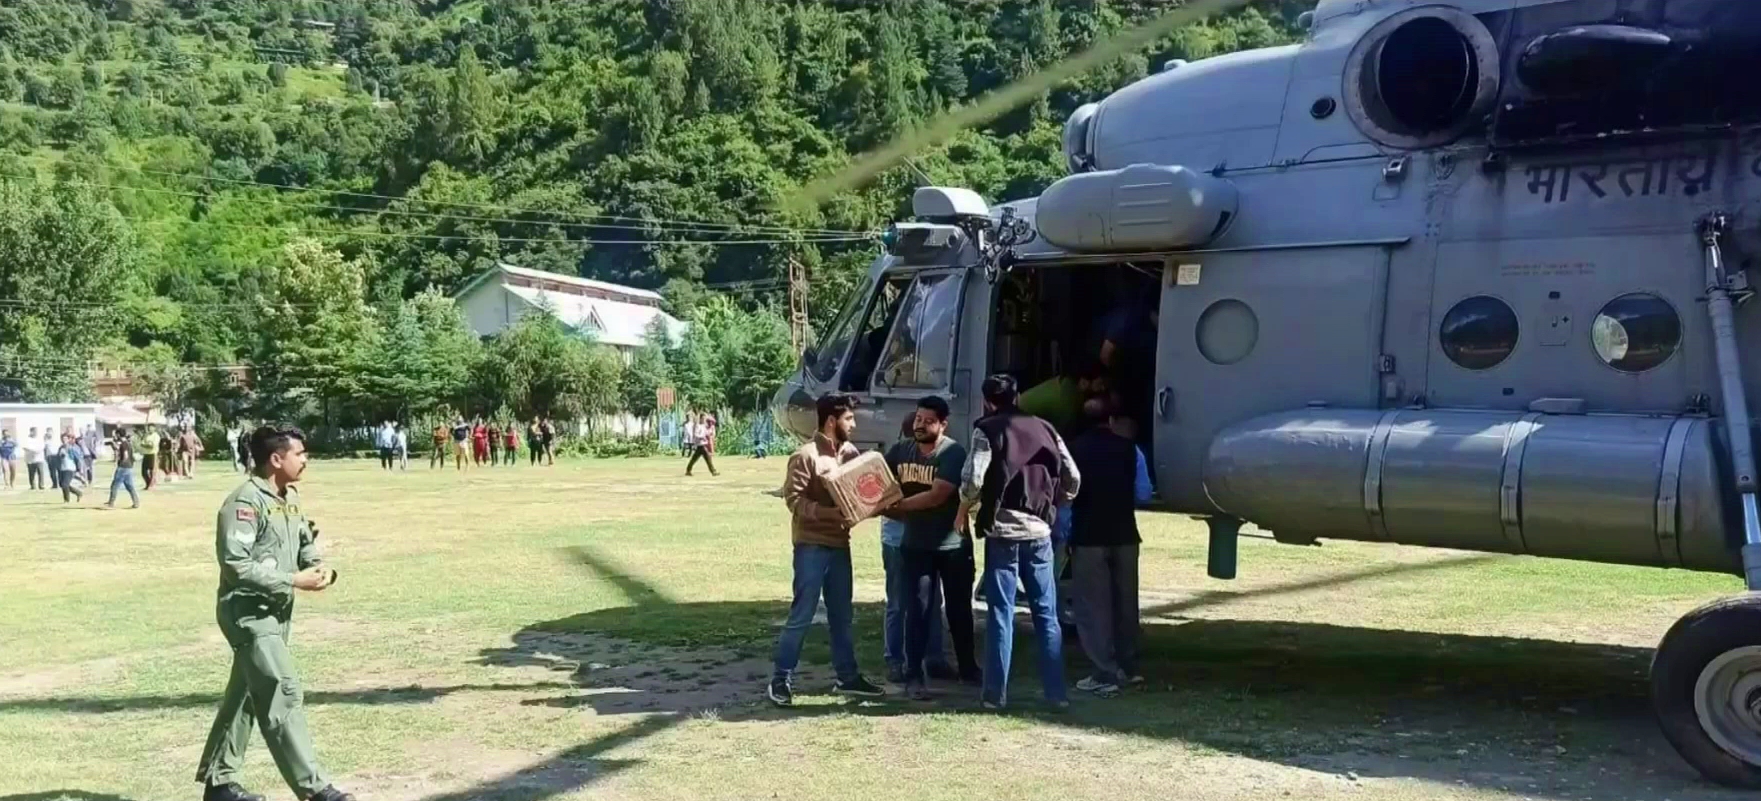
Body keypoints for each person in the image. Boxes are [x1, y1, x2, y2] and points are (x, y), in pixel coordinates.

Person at [195, 424, 355, 801]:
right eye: (300, 454)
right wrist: (293, 580)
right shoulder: (244, 503)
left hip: (276, 612)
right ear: (276, 458)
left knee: (249, 694)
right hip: (248, 612)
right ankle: (315, 790)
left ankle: (219, 783)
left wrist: (319, 569)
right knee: (280, 691)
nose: (306, 460)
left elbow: (304, 542)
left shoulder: (288, 498)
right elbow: (235, 564)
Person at [957, 374, 1081, 710]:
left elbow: (972, 478)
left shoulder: (988, 429)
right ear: (1019, 395)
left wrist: (969, 503)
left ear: (987, 400)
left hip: (1002, 532)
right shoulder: (1046, 428)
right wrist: (1057, 503)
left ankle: (994, 696)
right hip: (1040, 531)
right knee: (1046, 614)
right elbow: (1073, 475)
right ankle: (1056, 695)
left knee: (1001, 613)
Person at [768, 392, 885, 707]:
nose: (854, 424)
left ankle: (848, 678)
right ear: (832, 420)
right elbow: (794, 500)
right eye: (849, 418)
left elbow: (859, 492)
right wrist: (829, 514)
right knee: (802, 614)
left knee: (842, 616)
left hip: (839, 546)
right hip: (811, 546)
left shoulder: (850, 453)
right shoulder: (805, 456)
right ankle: (781, 678)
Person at [883, 396, 979, 699]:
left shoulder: (952, 452)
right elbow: (877, 482)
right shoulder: (901, 451)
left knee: (959, 610)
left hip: (952, 545)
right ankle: (914, 676)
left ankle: (968, 668)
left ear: (942, 424)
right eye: (918, 420)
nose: (920, 425)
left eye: (928, 421)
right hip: (915, 545)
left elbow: (939, 495)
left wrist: (897, 505)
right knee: (918, 611)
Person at [1066, 398, 1152, 697]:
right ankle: (1129, 667)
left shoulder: (1073, 449)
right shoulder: (1131, 449)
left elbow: (1066, 496)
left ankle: (1104, 670)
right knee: (1126, 602)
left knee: (1093, 606)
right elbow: (1143, 492)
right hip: (1125, 534)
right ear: (1111, 420)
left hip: (1088, 535)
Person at [879, 416, 950, 685]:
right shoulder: (894, 461)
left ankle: (933, 658)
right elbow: (884, 503)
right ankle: (895, 659)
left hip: (927, 542)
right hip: (898, 541)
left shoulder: (934, 461)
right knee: (899, 602)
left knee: (931, 601)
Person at [107, 427, 140, 509]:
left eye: (116, 434)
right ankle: (136, 502)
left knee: (115, 485)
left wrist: (121, 464)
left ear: (118, 434)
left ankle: (111, 502)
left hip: (123, 467)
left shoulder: (124, 444)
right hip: (129, 467)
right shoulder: (128, 443)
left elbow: (125, 455)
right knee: (129, 486)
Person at [58, 432, 86, 503]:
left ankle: (66, 500)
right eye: (63, 439)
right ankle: (78, 493)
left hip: (70, 468)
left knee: (65, 484)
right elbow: (59, 457)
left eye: (65, 439)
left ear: (68, 439)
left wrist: (79, 469)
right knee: (62, 484)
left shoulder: (72, 448)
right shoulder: (61, 448)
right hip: (62, 468)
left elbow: (78, 458)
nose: (64, 440)